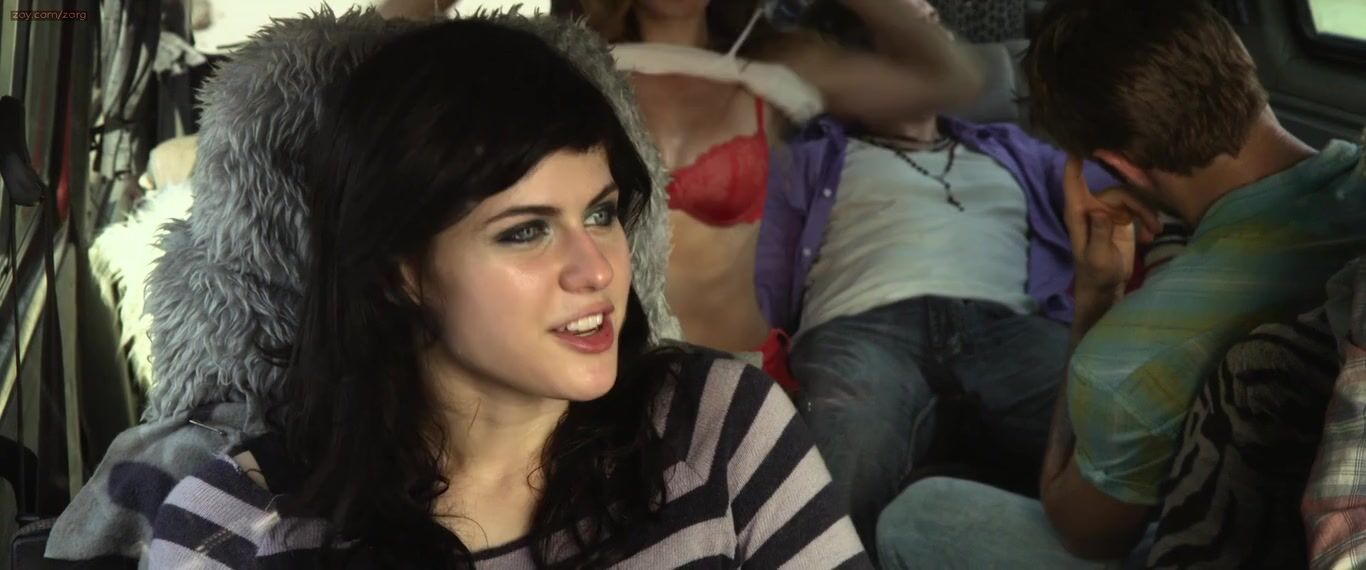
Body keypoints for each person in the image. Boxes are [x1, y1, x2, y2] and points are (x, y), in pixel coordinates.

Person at [145, 17, 868, 568]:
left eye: (601, 214)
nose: (597, 270)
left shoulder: (723, 428)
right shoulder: (234, 529)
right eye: (526, 231)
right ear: (400, 272)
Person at [876, 0, 1366, 566]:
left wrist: (1096, 299)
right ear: (1242, 65)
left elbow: (1087, 536)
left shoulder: (1126, 359)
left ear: (1120, 165)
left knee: (918, 514)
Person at [756, 0, 1121, 555]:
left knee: (1108, 421)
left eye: (934, 31)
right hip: (865, 331)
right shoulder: (810, 156)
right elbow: (749, 253)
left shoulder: (1010, 148)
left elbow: (1122, 180)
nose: (935, 52)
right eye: (910, 38)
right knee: (844, 437)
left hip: (1006, 328)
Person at [571, 0, 979, 390]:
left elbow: (951, 81)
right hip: (617, 370)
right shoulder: (580, 64)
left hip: (739, 370)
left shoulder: (775, 63)